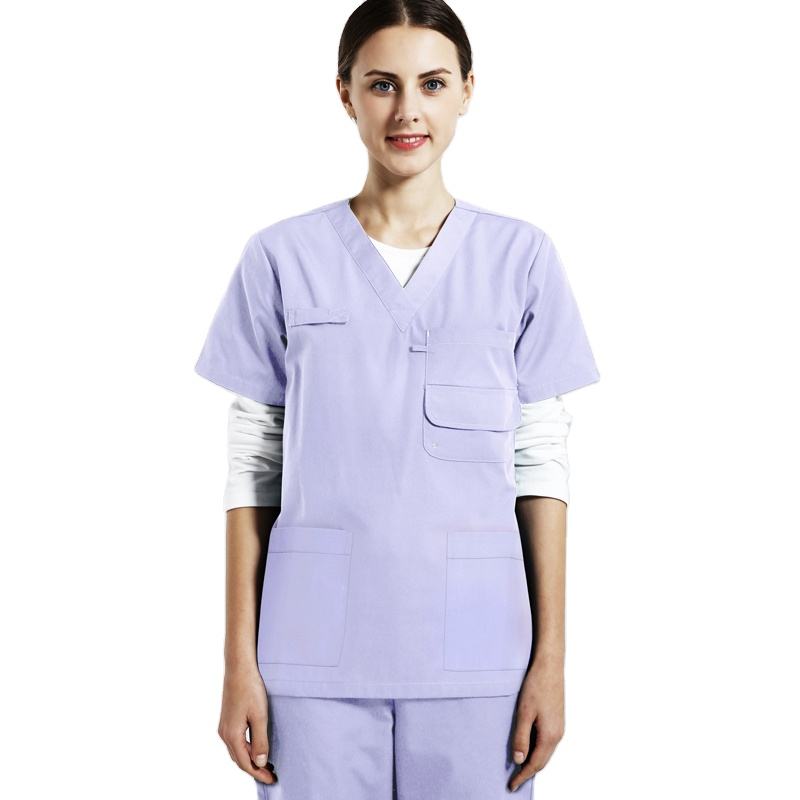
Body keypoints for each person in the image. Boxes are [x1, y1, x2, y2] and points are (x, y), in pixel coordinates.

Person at [194, 1, 600, 797]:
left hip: (480, 651)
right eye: (382, 84)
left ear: (467, 91)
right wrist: (239, 661)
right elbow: (253, 471)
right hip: (310, 655)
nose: (408, 109)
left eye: (432, 83)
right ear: (345, 92)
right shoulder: (281, 258)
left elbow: (540, 464)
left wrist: (551, 660)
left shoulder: (521, 259)